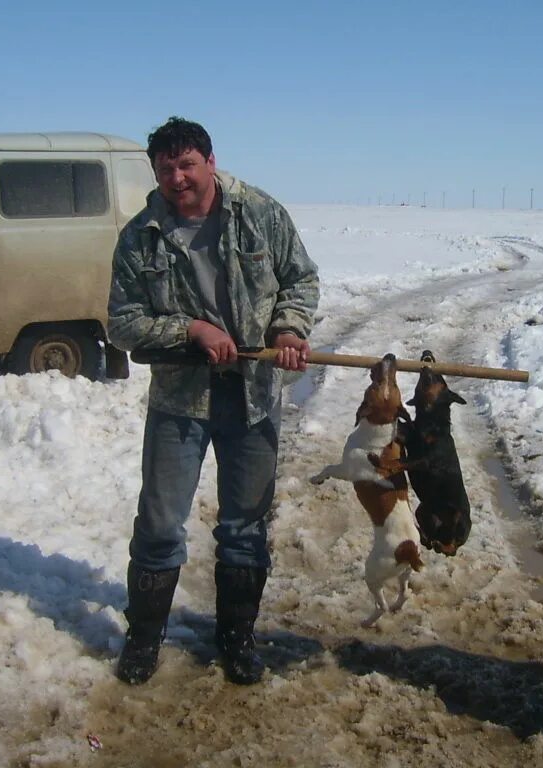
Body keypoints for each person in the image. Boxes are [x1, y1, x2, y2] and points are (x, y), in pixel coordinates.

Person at [107, 116, 319, 686]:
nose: (178, 177)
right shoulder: (140, 236)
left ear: (210, 161)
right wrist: (190, 332)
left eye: (187, 164)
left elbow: (299, 281)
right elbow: (123, 323)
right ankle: (143, 638)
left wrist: (289, 330)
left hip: (251, 397)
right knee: (159, 524)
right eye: (166, 168)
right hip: (180, 402)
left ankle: (237, 639)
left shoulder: (261, 213)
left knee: (246, 525)